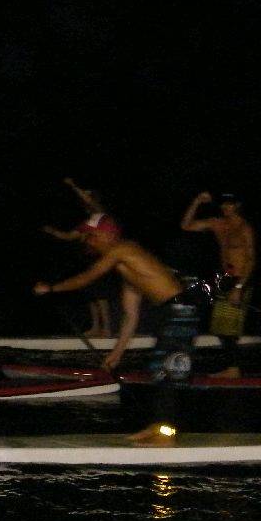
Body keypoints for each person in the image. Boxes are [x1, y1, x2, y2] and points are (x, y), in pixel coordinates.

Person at [33, 213, 200, 445]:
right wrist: (116, 354)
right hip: (171, 312)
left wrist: (51, 289)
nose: (88, 241)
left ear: (107, 234)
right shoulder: (127, 269)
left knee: (170, 370)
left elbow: (88, 277)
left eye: (91, 235)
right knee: (158, 370)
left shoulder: (123, 249)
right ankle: (158, 427)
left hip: (181, 310)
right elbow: (130, 317)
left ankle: (167, 434)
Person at [180, 191, 256, 378]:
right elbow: (186, 225)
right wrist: (197, 201)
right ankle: (231, 367)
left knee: (229, 328)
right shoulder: (218, 224)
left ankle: (234, 368)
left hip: (240, 280)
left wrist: (239, 288)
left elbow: (251, 259)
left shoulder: (244, 227)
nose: (225, 207)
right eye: (223, 204)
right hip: (225, 280)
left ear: (237, 205)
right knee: (220, 327)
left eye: (229, 204)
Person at [42, 177, 115, 337]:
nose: (84, 198)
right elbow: (69, 236)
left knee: (101, 295)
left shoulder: (101, 215)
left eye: (87, 196)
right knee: (90, 294)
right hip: (88, 259)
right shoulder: (88, 222)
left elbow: (88, 200)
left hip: (101, 258)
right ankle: (96, 327)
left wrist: (73, 185)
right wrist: (52, 231)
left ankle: (107, 328)